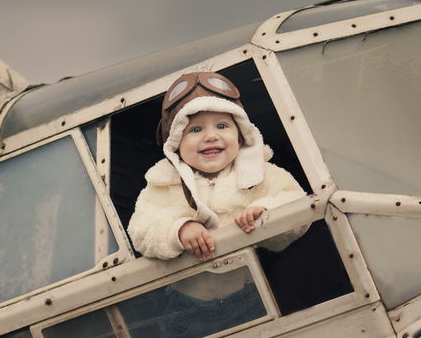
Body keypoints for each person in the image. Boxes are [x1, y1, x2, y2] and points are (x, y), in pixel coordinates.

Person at [127, 71, 307, 262]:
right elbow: (140, 230)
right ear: (176, 144)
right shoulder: (163, 184)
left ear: (240, 135)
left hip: (253, 280)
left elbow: (298, 202)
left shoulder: (263, 173)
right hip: (186, 288)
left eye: (222, 126)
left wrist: (266, 210)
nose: (211, 136)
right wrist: (179, 229)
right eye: (196, 129)